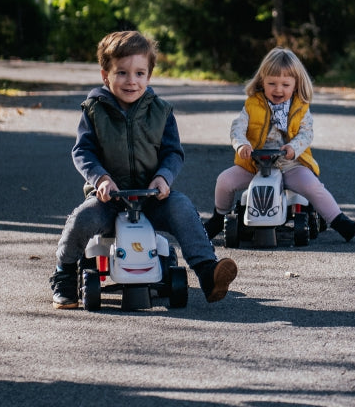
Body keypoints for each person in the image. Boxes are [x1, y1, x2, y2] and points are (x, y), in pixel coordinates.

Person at [49, 30, 238, 308]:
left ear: (149, 76)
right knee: (82, 219)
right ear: (106, 76)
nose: (131, 81)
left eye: (139, 73)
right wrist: (100, 178)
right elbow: (83, 151)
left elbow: (173, 152)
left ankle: (208, 272)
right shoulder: (94, 111)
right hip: (109, 199)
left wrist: (164, 177)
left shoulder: (160, 111)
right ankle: (64, 273)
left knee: (183, 207)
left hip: (151, 197)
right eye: (122, 73)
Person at [203, 47, 355, 243]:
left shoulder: (300, 108)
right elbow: (237, 128)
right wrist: (242, 145)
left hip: (290, 164)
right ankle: (219, 217)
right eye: (271, 83)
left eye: (285, 84)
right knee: (224, 181)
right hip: (254, 164)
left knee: (312, 186)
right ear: (262, 81)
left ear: (296, 85)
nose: (278, 89)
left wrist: (293, 148)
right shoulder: (252, 105)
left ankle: (340, 222)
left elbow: (306, 133)